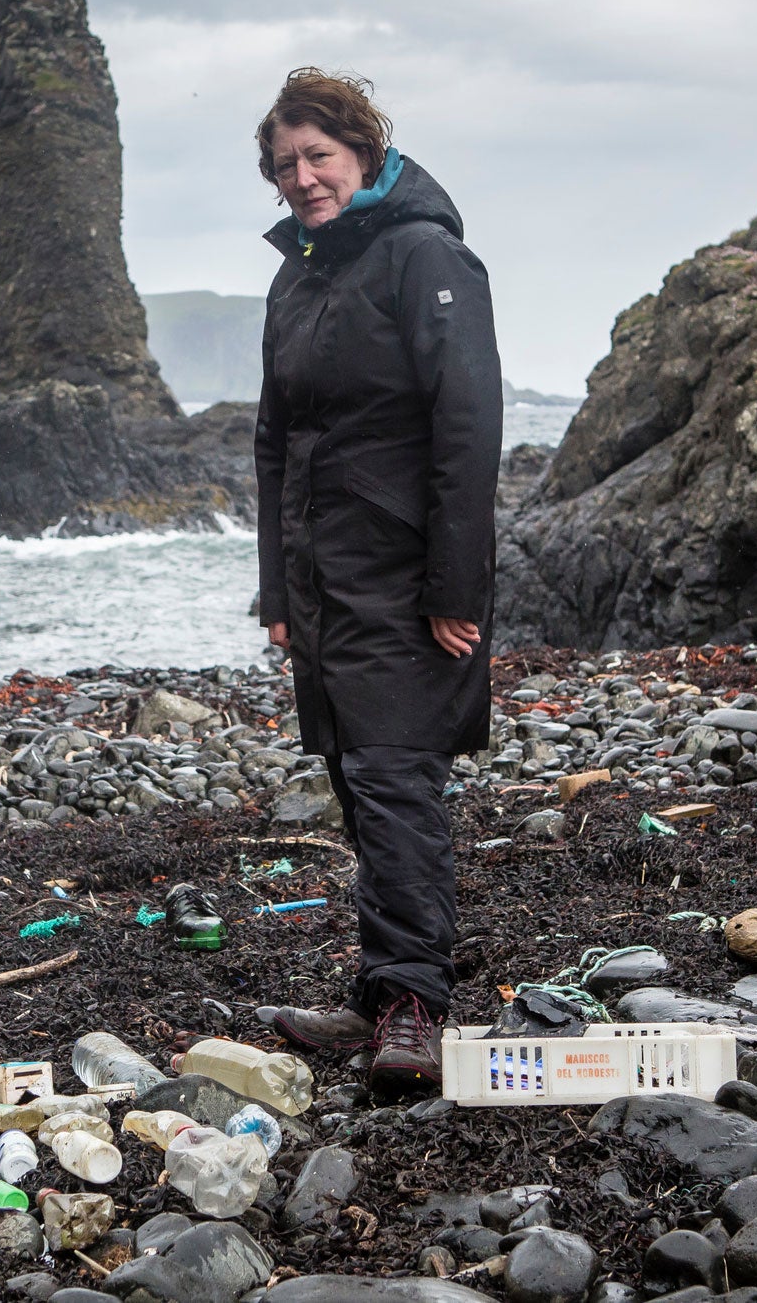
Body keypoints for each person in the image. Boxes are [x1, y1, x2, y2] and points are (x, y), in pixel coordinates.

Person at [251, 68, 502, 1094]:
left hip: (404, 579)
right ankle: (385, 986)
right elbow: (276, 441)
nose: (303, 178)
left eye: (318, 155)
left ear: (361, 149)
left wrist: (457, 590)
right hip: (323, 579)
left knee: (397, 777)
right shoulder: (298, 277)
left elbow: (468, 423)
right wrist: (276, 594)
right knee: (359, 774)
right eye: (284, 166)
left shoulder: (424, 255)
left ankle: (414, 1006)